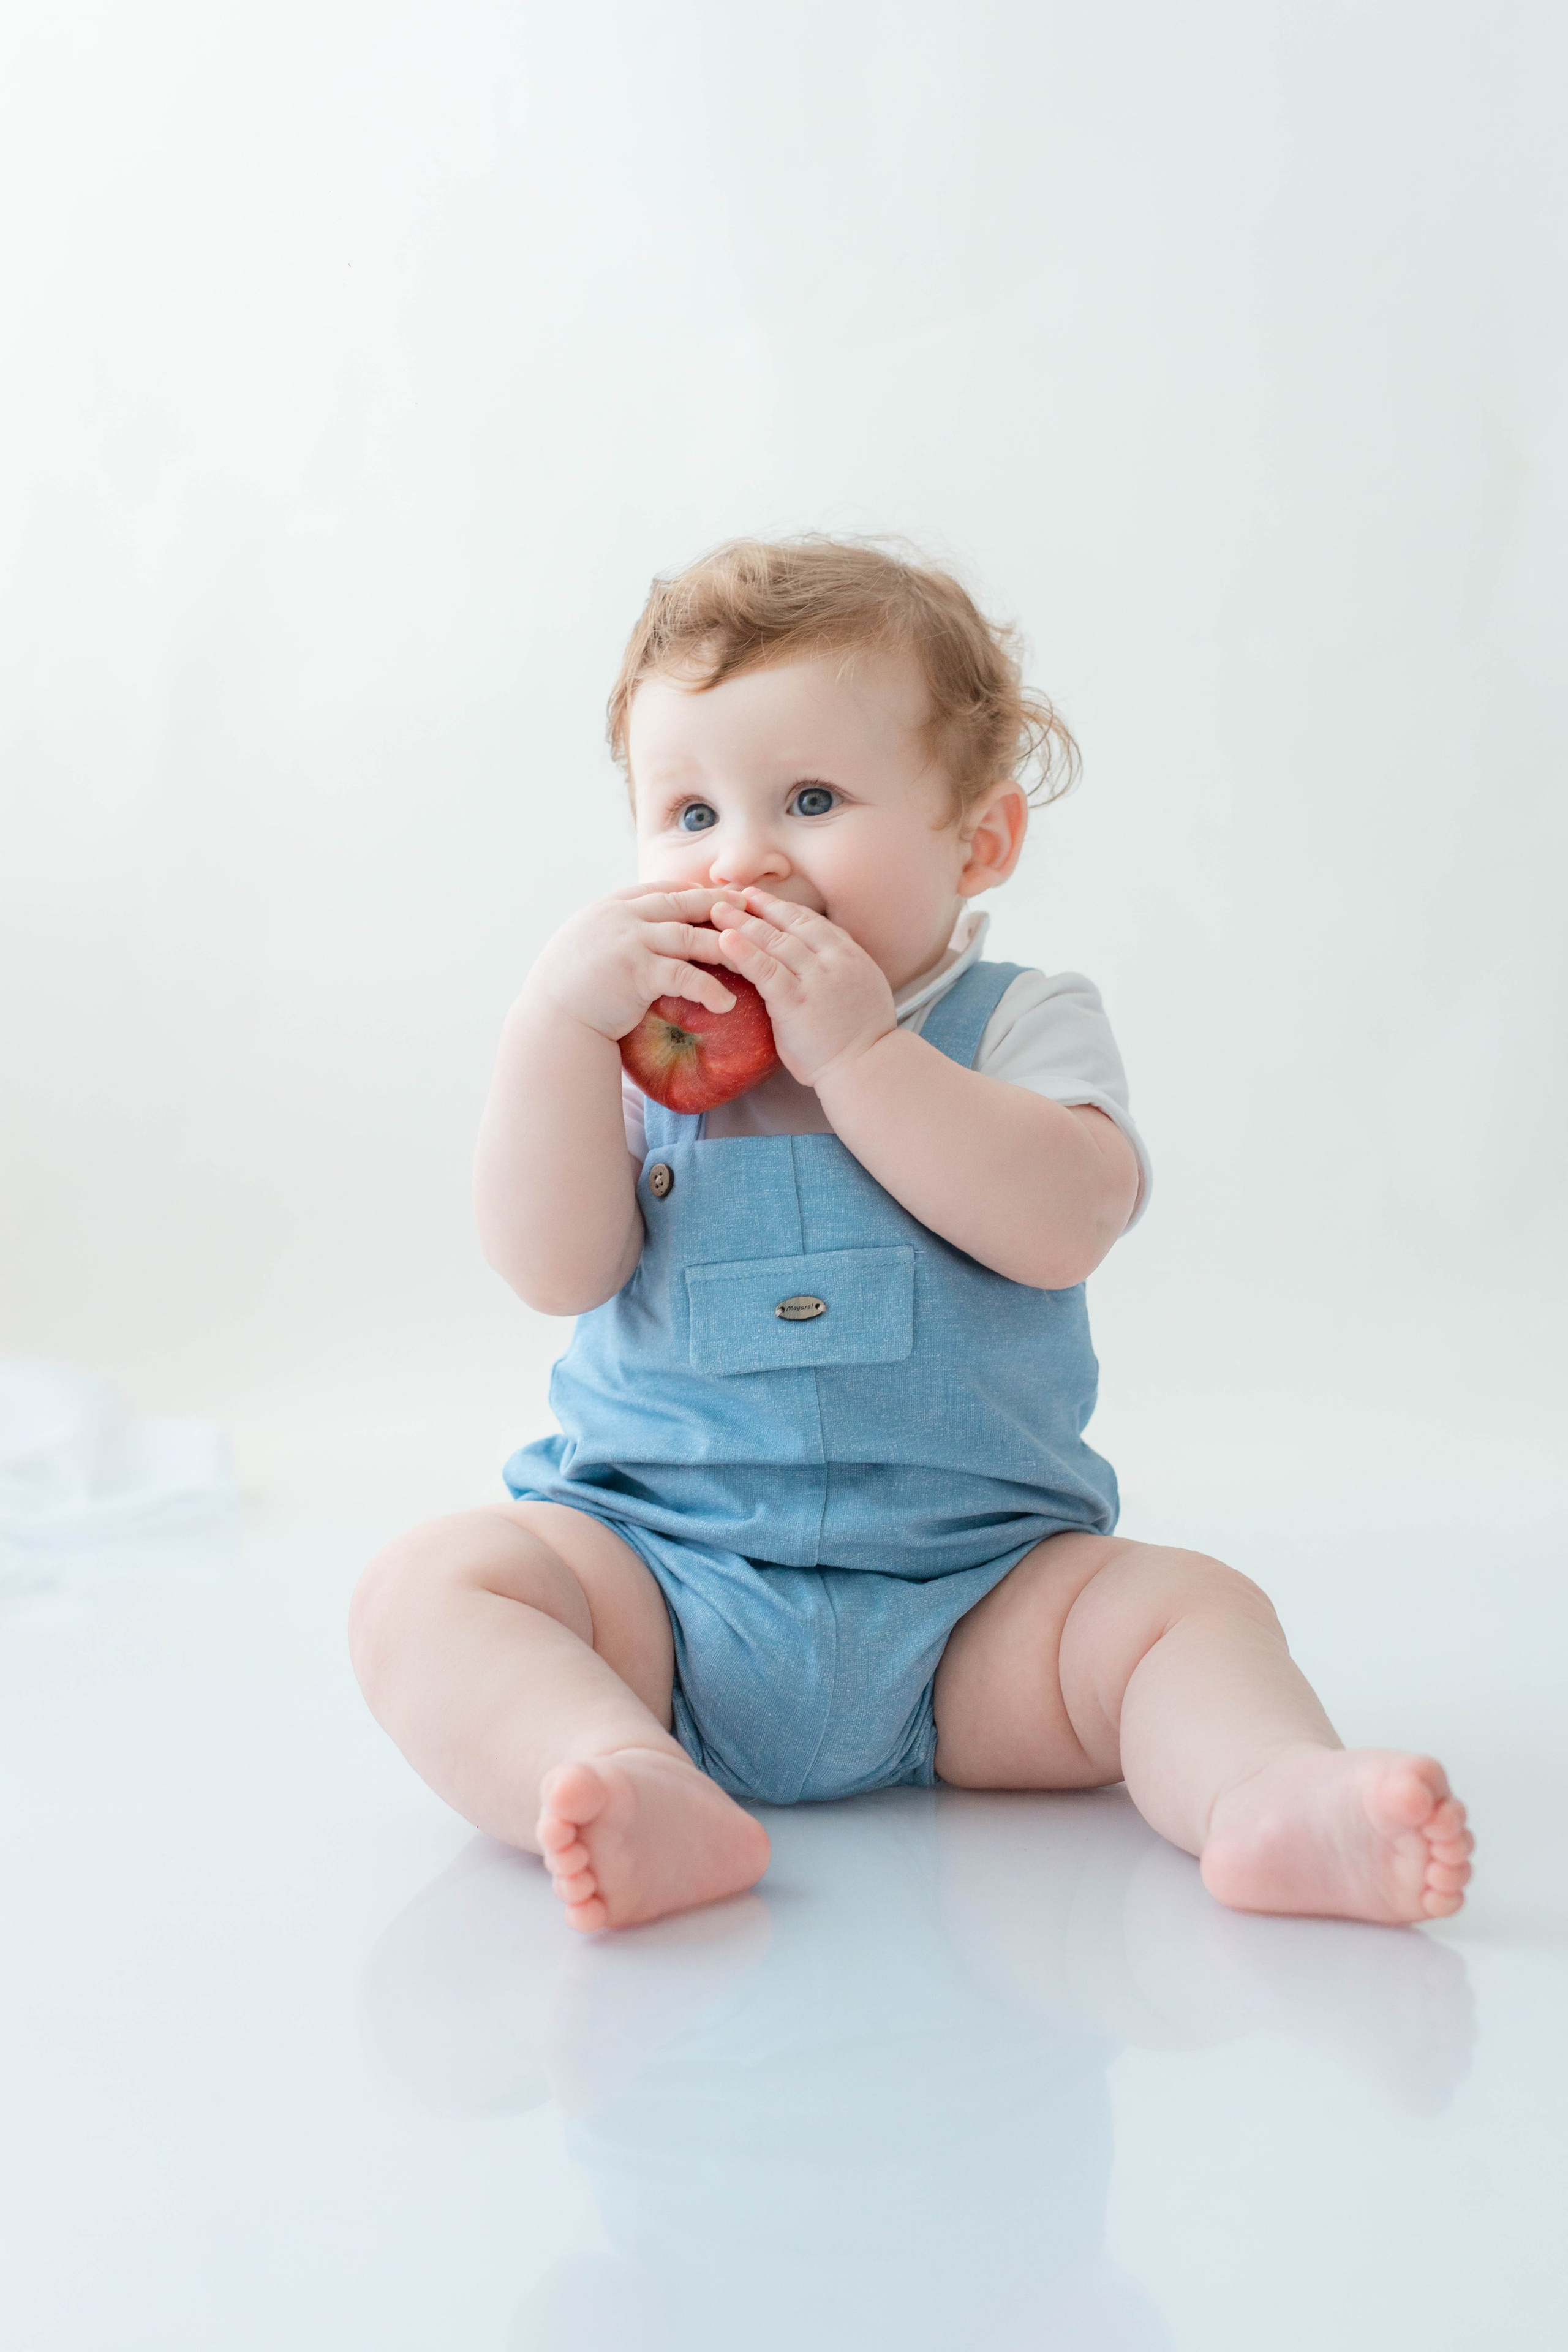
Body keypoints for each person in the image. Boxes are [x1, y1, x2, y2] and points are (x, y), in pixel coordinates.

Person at [349, 537, 1473, 1936]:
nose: (742, 858)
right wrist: (547, 1029)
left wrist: (865, 1055)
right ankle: (615, 1772)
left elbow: (1065, 1223)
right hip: (664, 1596)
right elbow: (550, 1267)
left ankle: (1266, 1795)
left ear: (977, 839)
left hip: (980, 1614)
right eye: (688, 812)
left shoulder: (1011, 1023)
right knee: (429, 1588)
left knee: (1184, 1610)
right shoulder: (640, 1057)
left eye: (810, 799)